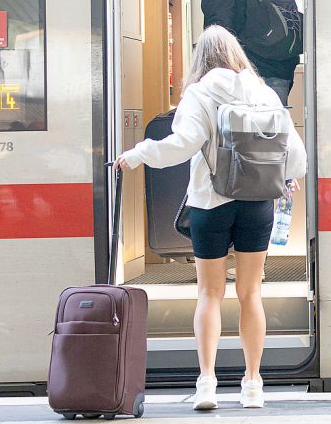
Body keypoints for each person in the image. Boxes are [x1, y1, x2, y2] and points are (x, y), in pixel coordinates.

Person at [114, 26, 306, 411]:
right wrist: (281, 175)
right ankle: (252, 384)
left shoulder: (199, 94)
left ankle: (206, 383)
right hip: (256, 204)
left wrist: (136, 154)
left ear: (200, 58)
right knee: (251, 293)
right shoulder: (264, 92)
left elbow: (181, 145)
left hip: (210, 203)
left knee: (209, 293)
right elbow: (296, 157)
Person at [201, 0, 300, 104]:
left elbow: (218, 35)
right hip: (280, 75)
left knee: (239, 130)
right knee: (274, 128)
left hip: (240, 79)